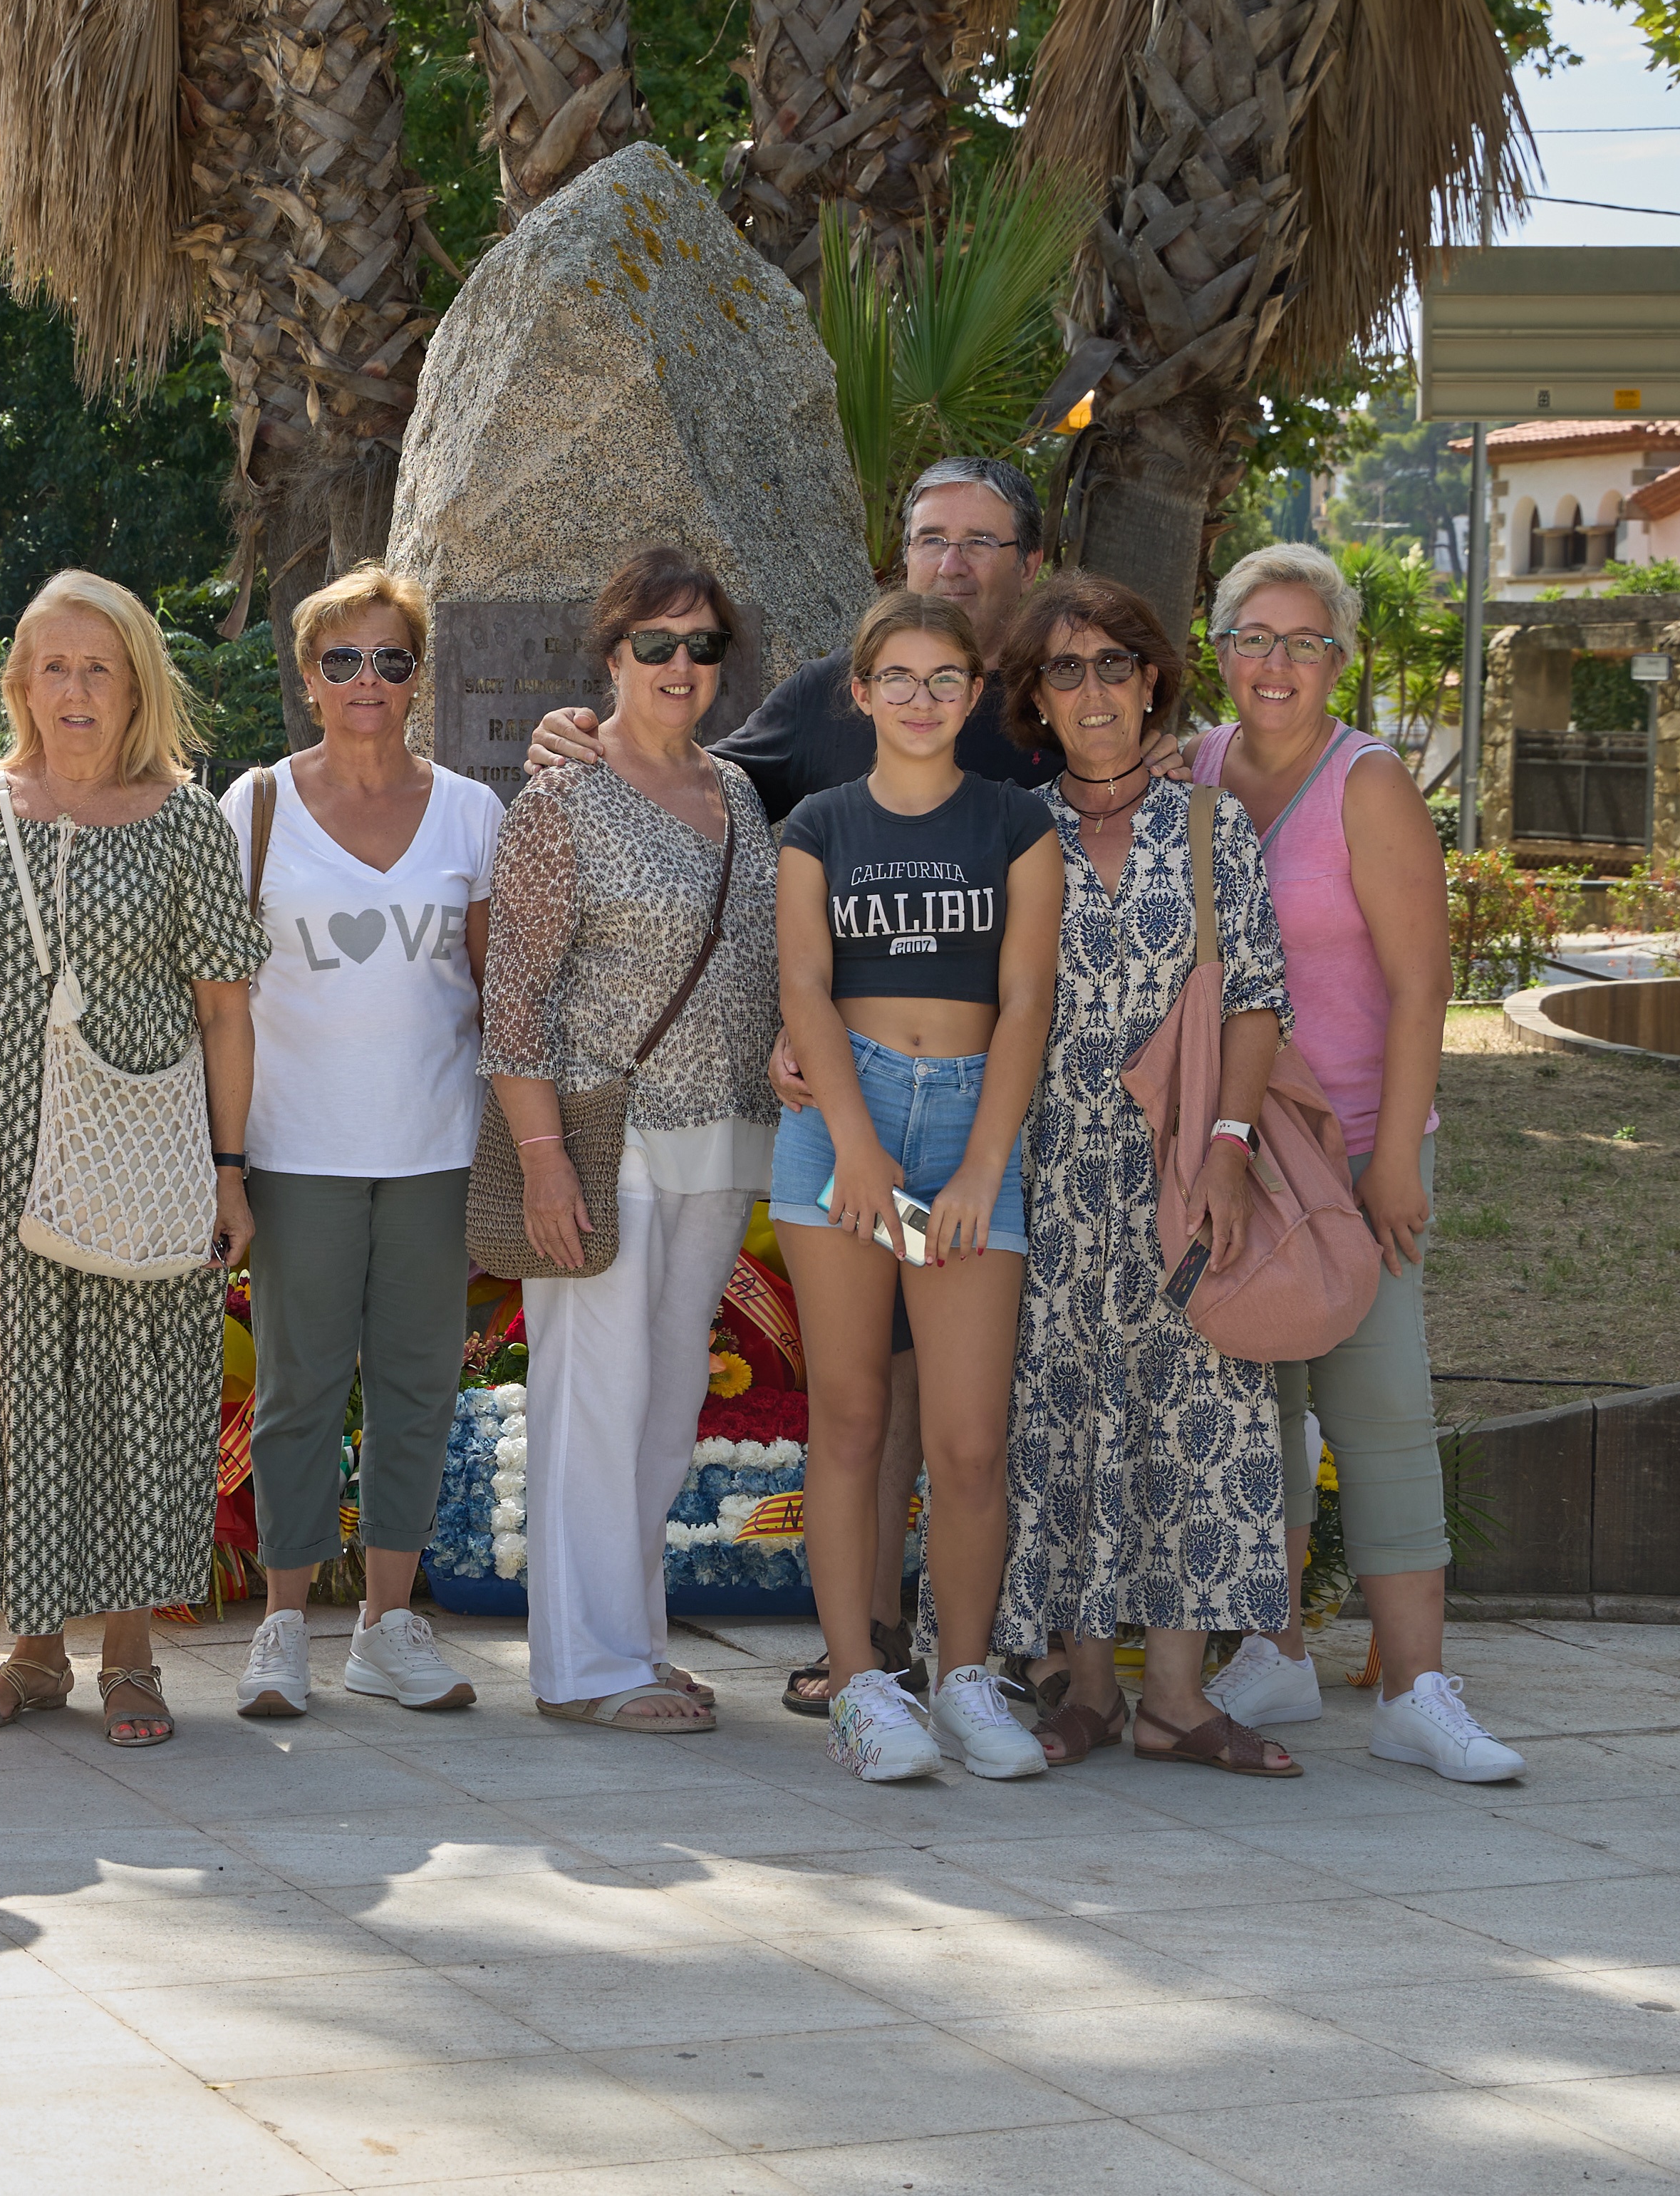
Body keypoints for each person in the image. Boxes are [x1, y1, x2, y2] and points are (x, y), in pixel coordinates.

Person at [525, 462, 1067, 1706]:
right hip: (837, 1116)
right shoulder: (820, 713)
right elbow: (726, 816)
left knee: (976, 1417)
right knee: (856, 1405)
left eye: (981, 543)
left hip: (994, 1106)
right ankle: (861, 1648)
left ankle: (984, 1652)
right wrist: (583, 737)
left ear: (1023, 566)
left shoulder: (1047, 705)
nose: (953, 563)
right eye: (931, 538)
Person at [1188, 545, 1523, 1781]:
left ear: (1338, 658)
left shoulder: (1365, 783)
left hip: (1359, 1147)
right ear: (1217, 651)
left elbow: (1421, 980)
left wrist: (1395, 1161)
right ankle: (1269, 1653)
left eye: (1303, 642)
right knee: (1257, 1410)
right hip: (1240, 1148)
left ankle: (1416, 1691)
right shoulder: (1193, 769)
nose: (1276, 666)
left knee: (1376, 1409)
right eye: (1253, 640)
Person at [0, 571, 269, 1747]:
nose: (74, 691)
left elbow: (226, 1011)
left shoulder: (185, 821)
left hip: (140, 1158)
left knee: (133, 1395)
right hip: (0, 1158)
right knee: (18, 1395)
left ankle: (129, 1658)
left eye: (98, 668)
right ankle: (29, 1653)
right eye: (53, 667)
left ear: (137, 687)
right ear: (19, 681)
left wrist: (229, 1171)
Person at [988, 573, 1300, 1775]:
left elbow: (1258, 997)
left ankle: (1175, 1697)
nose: (1092, 692)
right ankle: (1081, 1684)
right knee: (1060, 1417)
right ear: (1035, 698)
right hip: (1052, 1171)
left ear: (1153, 679)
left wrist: (1229, 1145)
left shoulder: (1210, 824)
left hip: (1183, 1170)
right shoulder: (1013, 831)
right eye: (1062, 671)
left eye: (1111, 664)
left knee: (1193, 1416)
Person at [477, 548, 784, 1734]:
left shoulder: (738, 794)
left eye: (701, 645)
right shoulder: (560, 797)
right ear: (610, 659)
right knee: (588, 1398)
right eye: (653, 644)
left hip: (721, 1138)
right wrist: (543, 1158)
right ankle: (581, 1667)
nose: (678, 665)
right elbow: (514, 999)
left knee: (661, 1404)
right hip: (604, 1139)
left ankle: (633, 1643)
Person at [772, 589, 1062, 1781]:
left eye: (946, 678)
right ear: (860, 692)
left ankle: (964, 1678)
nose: (922, 699)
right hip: (849, 1134)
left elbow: (1028, 1002)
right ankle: (858, 1686)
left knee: (968, 1440)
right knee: (848, 1417)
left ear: (974, 693)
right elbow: (801, 986)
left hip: (970, 1134)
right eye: (898, 677)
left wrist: (978, 1167)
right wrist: (854, 1141)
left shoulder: (1015, 824)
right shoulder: (819, 827)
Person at [222, 562, 505, 1719]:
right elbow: (221, 998)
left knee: (416, 1387)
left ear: (415, 676)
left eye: (391, 660)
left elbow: (494, 993)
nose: (367, 681)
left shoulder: (471, 813)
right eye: (343, 660)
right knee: (296, 1389)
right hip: (295, 1150)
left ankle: (388, 1626)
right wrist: (224, 1161)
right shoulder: (255, 807)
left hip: (434, 1149)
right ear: (307, 675)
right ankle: (282, 1628)